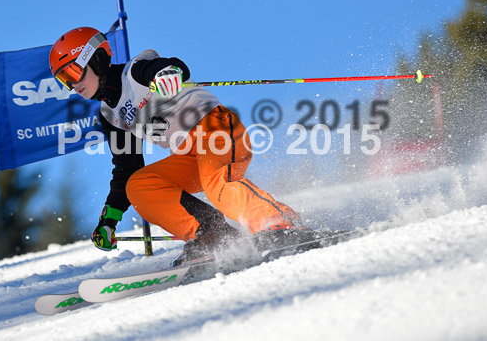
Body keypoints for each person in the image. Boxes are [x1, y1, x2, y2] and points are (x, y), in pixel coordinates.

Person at [49, 27, 313, 263]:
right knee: (138, 185)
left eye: (73, 72)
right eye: (64, 80)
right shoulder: (109, 115)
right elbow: (125, 166)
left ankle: (280, 223)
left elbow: (170, 66)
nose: (73, 85)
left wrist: (167, 74)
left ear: (95, 59)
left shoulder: (135, 72)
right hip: (189, 154)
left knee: (217, 185)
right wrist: (110, 218)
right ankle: (212, 234)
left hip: (215, 128)